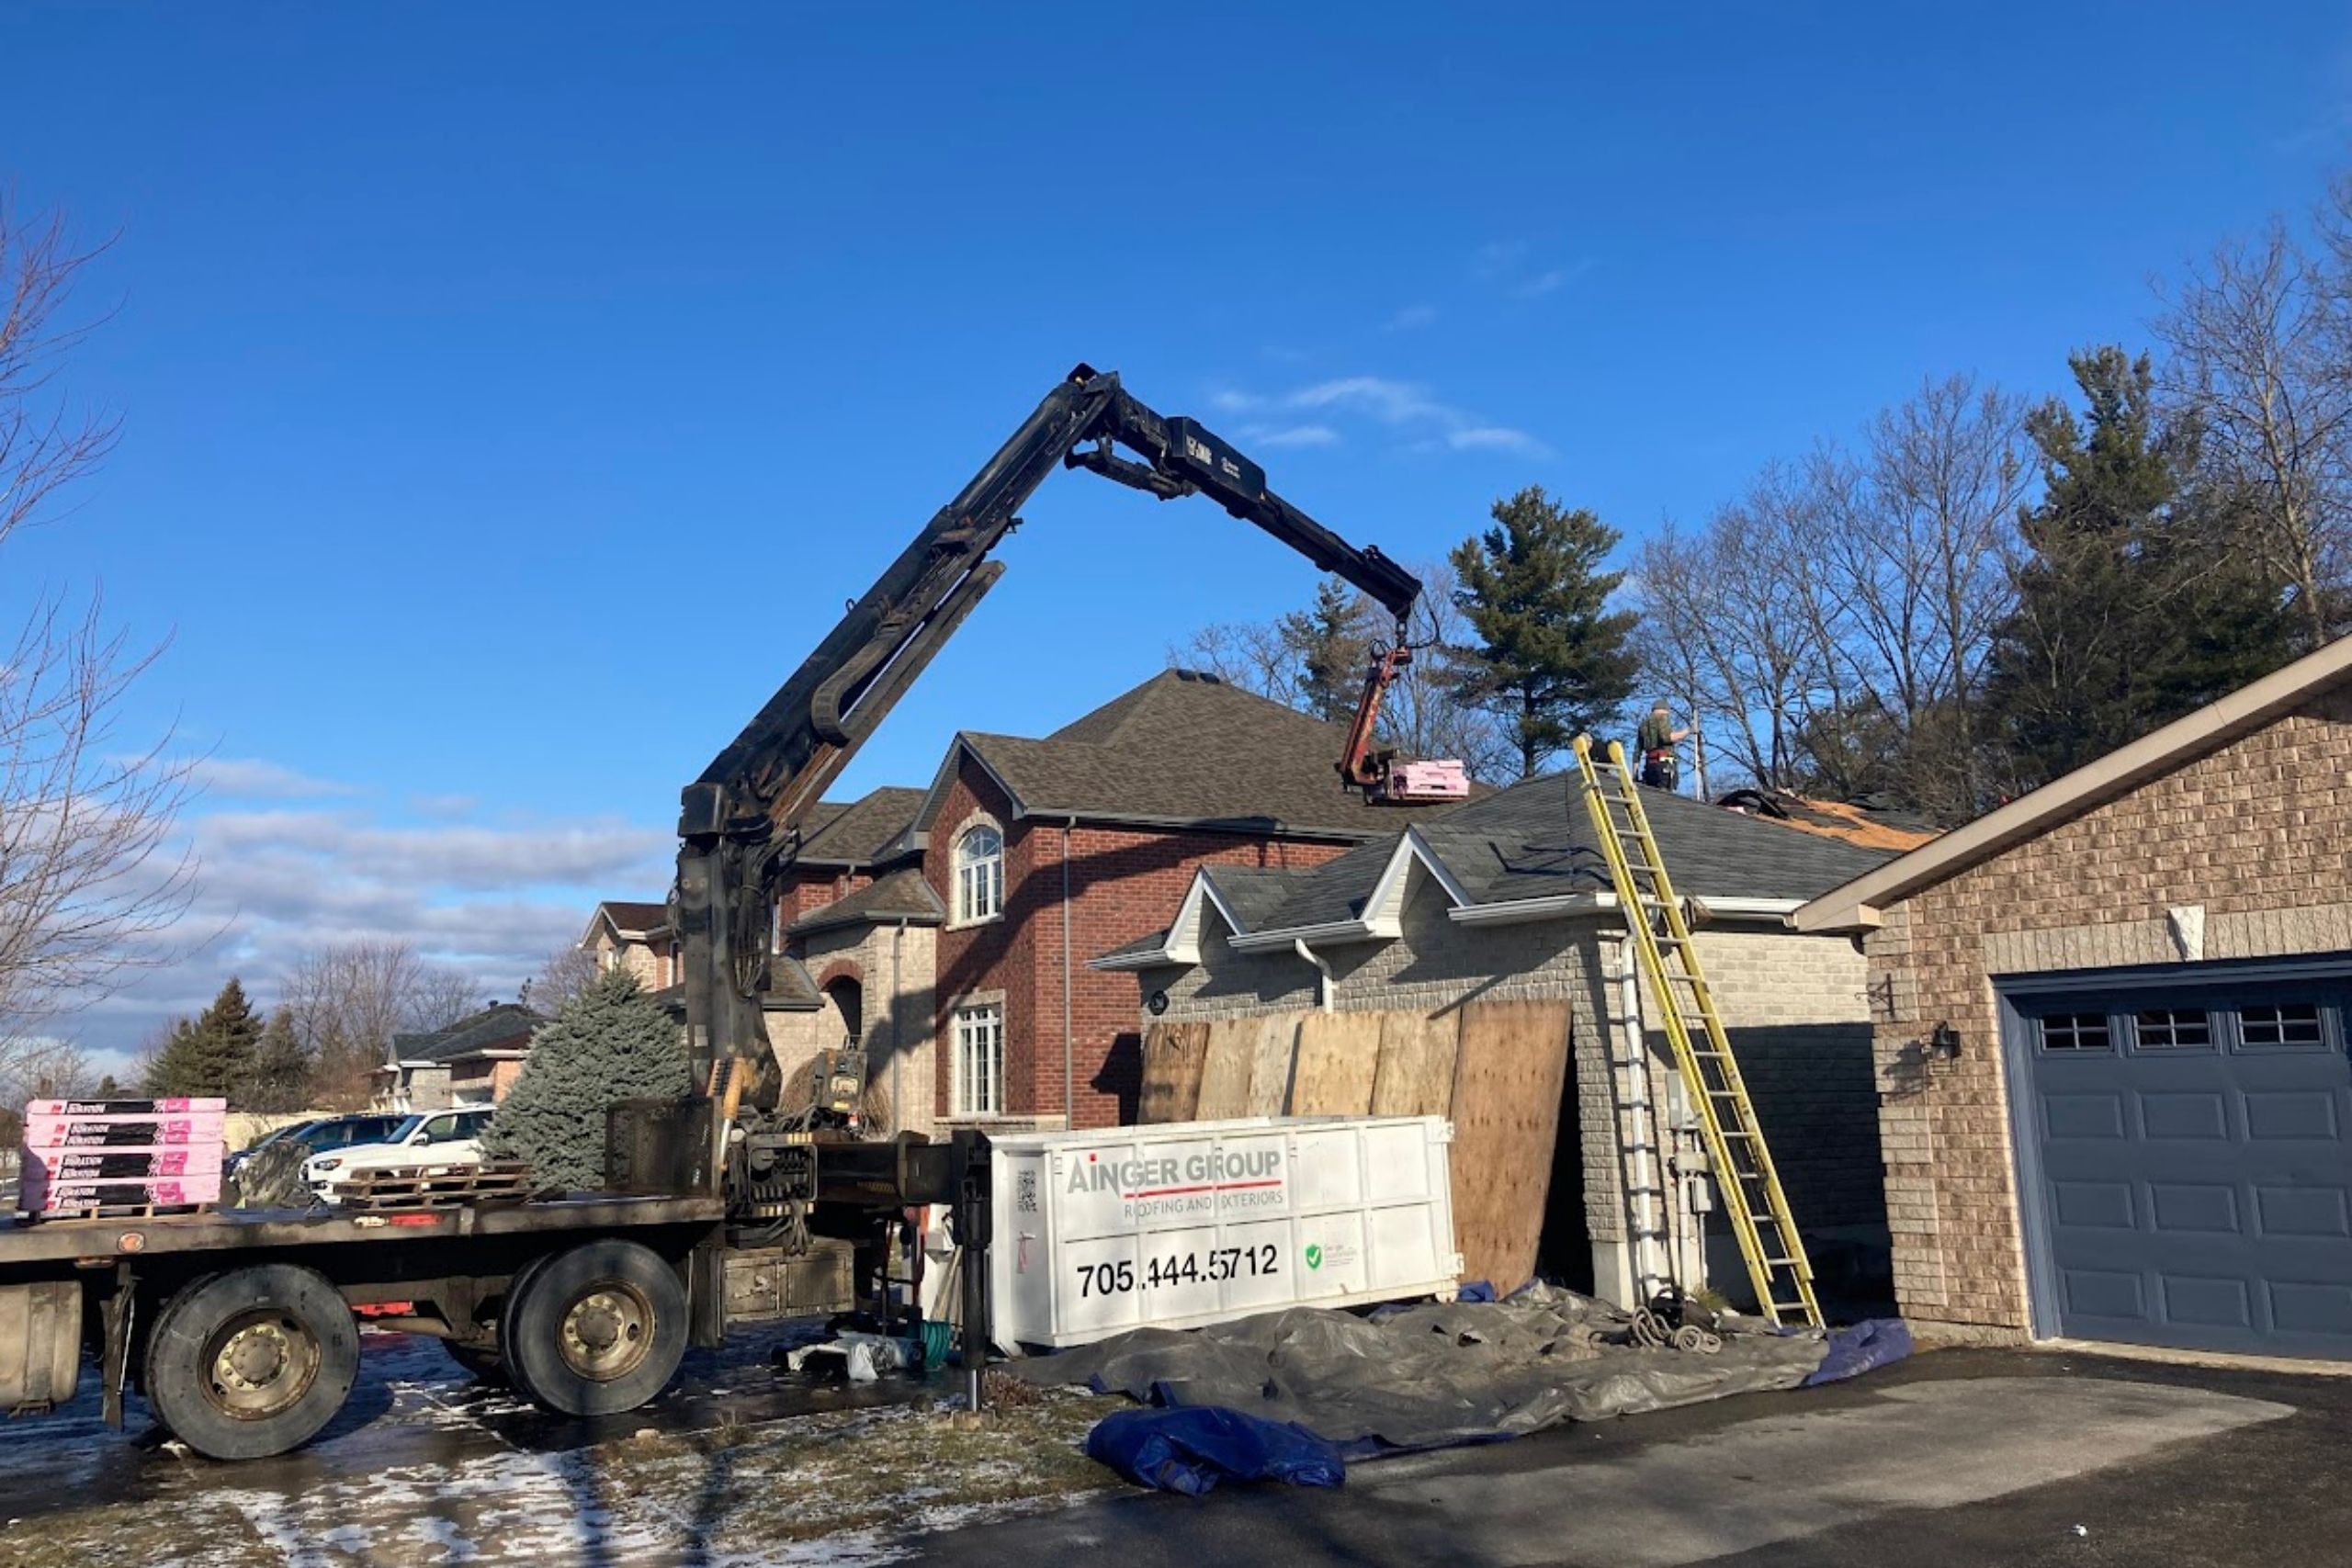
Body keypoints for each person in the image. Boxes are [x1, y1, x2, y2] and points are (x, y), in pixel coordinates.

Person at [1636, 699, 1689, 791]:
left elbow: (1637, 752)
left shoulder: (1643, 724)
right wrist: (1687, 731)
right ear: (1665, 709)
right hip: (1664, 761)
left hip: (1649, 764)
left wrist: (1635, 774)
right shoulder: (1662, 718)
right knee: (1665, 792)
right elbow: (1667, 737)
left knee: (1651, 792)